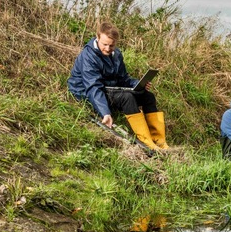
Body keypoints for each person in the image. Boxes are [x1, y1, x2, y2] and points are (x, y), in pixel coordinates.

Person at [68, 21, 168, 150]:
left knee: (148, 96)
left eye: (112, 45)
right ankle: (147, 142)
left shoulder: (116, 54)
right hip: (86, 91)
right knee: (127, 97)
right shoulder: (88, 56)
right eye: (105, 44)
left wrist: (137, 84)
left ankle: (160, 142)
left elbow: (123, 78)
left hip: (109, 89)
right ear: (97, 37)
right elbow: (93, 87)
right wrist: (105, 113)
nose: (108, 49)